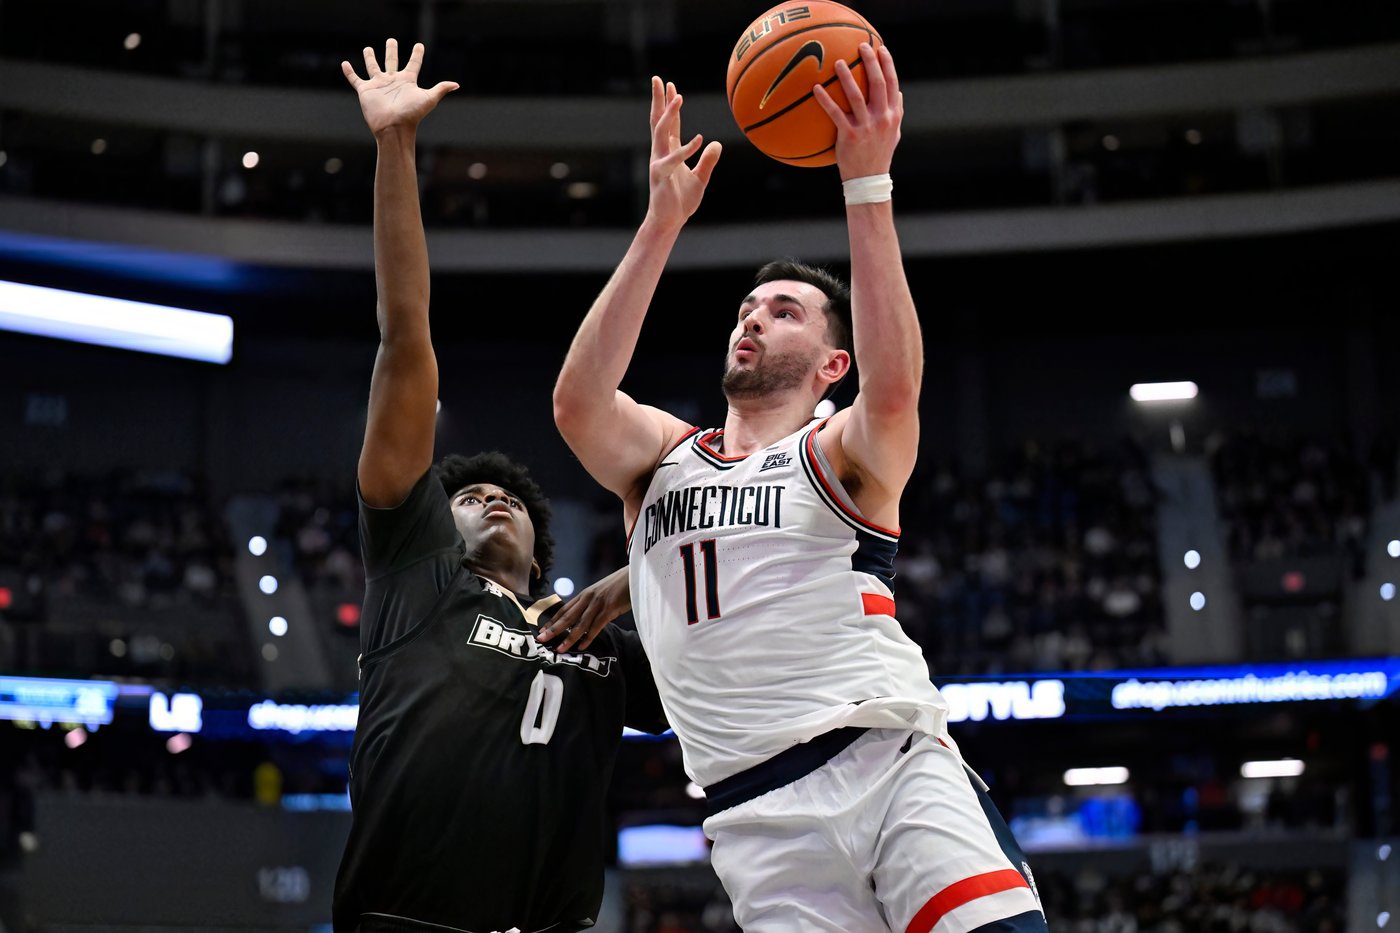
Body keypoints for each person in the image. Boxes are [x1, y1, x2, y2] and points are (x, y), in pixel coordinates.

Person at [552, 45, 1048, 933]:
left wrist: (866, 186)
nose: (755, 317)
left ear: (832, 363)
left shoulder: (842, 450)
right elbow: (578, 401)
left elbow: (896, 389)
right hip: (754, 816)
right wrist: (661, 221)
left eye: (786, 311)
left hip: (887, 761)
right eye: (749, 308)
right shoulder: (665, 456)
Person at [334, 40, 666, 933]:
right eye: (467, 494)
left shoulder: (593, 632)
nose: (492, 497)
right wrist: (396, 151)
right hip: (403, 921)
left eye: (507, 495)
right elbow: (407, 340)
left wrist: (639, 578)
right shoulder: (420, 579)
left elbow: (724, 620)